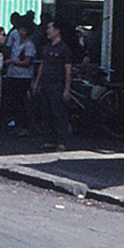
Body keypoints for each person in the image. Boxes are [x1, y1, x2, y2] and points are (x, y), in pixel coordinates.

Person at [32, 20, 73, 151]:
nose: (47, 31)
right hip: (45, 84)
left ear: (57, 31)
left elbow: (68, 70)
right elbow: (42, 66)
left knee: (58, 113)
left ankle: (62, 141)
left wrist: (66, 89)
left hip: (57, 84)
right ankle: (49, 140)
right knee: (46, 113)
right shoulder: (46, 48)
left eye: (50, 28)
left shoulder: (64, 49)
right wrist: (36, 84)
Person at [3, 20, 36, 137]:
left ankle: (25, 126)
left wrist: (12, 61)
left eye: (23, 30)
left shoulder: (29, 45)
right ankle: (18, 125)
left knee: (22, 101)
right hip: (13, 74)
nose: (21, 32)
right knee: (14, 101)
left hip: (24, 76)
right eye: (20, 29)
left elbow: (27, 62)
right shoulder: (16, 42)